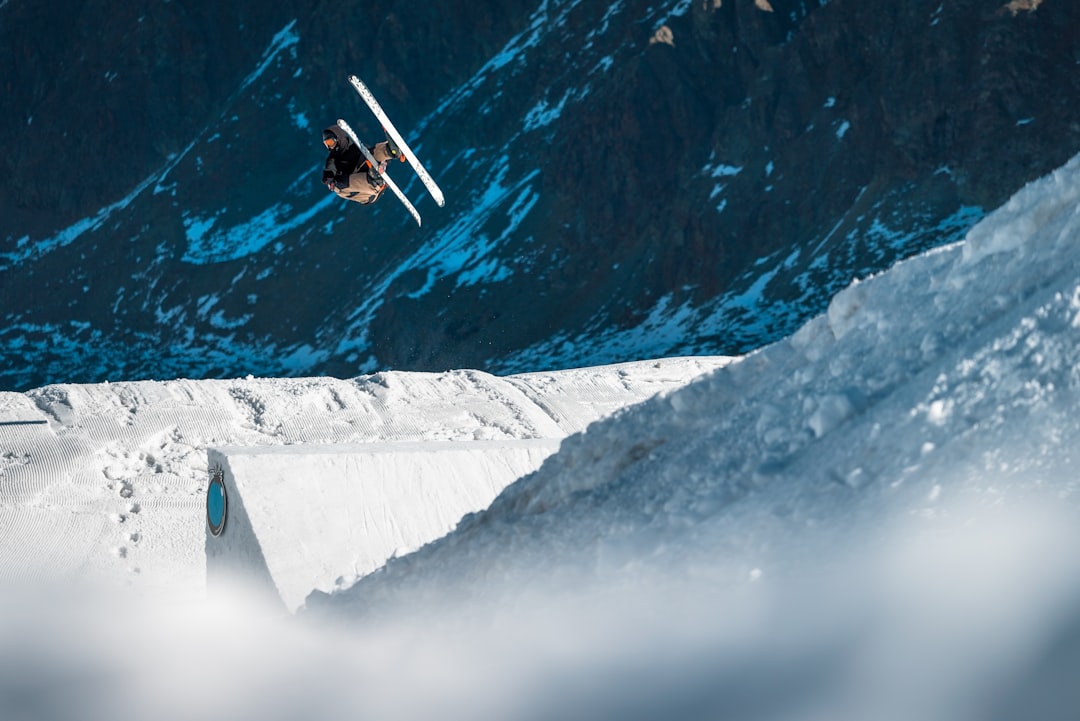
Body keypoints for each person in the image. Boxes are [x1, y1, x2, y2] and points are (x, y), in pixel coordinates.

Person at [320, 125, 404, 205]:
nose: (330, 147)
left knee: (369, 153)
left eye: (330, 142)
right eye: (326, 144)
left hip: (368, 173)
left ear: (338, 138)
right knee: (337, 187)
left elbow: (372, 156)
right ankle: (373, 182)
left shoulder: (355, 146)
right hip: (365, 193)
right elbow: (330, 170)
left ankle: (392, 150)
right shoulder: (333, 159)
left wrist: (384, 162)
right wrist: (329, 179)